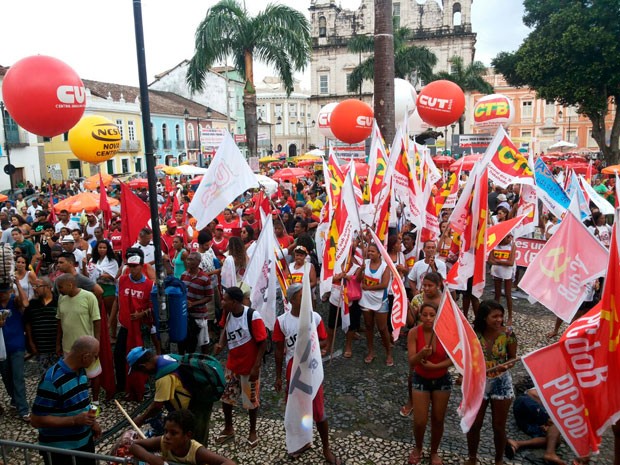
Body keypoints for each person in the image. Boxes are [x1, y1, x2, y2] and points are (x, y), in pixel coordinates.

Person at [273, 283, 341, 465]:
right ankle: (300, 442)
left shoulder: (315, 318)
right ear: (292, 299)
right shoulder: (282, 321)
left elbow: (324, 342)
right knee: (296, 409)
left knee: (319, 411)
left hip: (311, 369)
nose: (309, 298)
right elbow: (279, 351)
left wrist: (319, 348)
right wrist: (278, 376)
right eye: (303, 295)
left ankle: (326, 448)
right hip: (293, 371)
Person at [31, 336, 102, 465]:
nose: (96, 360)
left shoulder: (81, 372)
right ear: (85, 357)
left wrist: (93, 423)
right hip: (61, 451)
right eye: (95, 356)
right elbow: (36, 420)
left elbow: (83, 403)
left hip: (84, 443)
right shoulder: (52, 380)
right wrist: (74, 420)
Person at [213, 286, 267, 447]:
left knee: (251, 402)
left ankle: (252, 432)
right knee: (227, 398)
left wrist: (256, 367)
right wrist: (221, 344)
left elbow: (263, 342)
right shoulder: (227, 313)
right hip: (232, 366)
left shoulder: (252, 316)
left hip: (249, 367)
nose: (222, 302)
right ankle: (228, 428)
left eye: (225, 299)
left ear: (234, 302)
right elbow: (224, 328)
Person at [466, 300, 517, 465]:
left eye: (501, 316)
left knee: (499, 426)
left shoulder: (508, 334)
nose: (499, 320)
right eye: (494, 316)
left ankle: (498, 461)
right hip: (479, 383)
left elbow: (512, 358)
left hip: (501, 383)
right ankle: (472, 458)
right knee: (475, 423)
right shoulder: (473, 335)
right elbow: (467, 358)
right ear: (483, 318)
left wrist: (506, 366)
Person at [128, 348, 212, 447]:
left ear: (143, 366)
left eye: (141, 371)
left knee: (196, 442)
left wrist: (141, 419)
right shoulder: (167, 357)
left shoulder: (164, 376)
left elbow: (157, 406)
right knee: (197, 436)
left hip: (196, 406)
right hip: (199, 397)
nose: (144, 374)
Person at [407, 303, 453, 465]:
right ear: (420, 316)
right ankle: (418, 447)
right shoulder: (414, 333)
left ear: (437, 316)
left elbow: (452, 359)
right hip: (420, 379)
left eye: (432, 315)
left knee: (438, 419)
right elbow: (412, 361)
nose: (428, 318)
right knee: (420, 421)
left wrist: (435, 366)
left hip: (442, 380)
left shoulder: (445, 333)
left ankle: (434, 451)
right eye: (425, 315)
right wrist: (421, 354)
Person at [111, 253, 159, 398]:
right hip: (125, 325)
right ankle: (122, 385)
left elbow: (153, 308)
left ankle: (145, 386)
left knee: (143, 358)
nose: (132, 269)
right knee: (119, 355)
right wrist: (110, 321)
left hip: (141, 327)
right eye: (130, 266)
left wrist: (142, 314)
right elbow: (116, 301)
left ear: (142, 266)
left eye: (135, 266)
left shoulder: (150, 285)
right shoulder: (122, 280)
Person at [55, 274, 102, 405]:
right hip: (68, 346)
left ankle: (96, 401)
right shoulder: (61, 298)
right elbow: (59, 321)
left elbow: (97, 321)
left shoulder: (89, 297)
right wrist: (58, 342)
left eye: (60, 287)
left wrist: (97, 344)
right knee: (71, 375)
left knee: (93, 374)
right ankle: (76, 401)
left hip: (88, 347)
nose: (59, 290)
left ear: (70, 285)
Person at [129, 409, 236, 465]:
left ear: (188, 435)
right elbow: (134, 446)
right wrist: (152, 459)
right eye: (165, 431)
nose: (167, 436)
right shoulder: (163, 442)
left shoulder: (197, 452)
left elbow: (229, 463)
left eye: (173, 433)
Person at [505, 388, 565, 465]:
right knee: (556, 424)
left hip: (526, 422)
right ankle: (550, 453)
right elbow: (533, 394)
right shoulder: (559, 388)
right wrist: (547, 419)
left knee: (555, 441)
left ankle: (517, 444)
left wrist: (547, 426)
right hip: (526, 402)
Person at [358, 242, 393, 366]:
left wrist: (368, 288)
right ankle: (371, 351)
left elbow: (384, 284)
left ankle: (388, 352)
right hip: (366, 300)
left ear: (379, 253)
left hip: (380, 301)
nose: (370, 253)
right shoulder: (365, 264)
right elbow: (357, 280)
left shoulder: (385, 267)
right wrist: (360, 271)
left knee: (383, 328)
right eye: (369, 251)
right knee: (368, 326)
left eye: (373, 251)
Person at [0, 279, 30, 421]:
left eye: (5, 292)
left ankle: (23, 409)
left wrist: (18, 284)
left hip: (16, 344)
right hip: (1, 348)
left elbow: (25, 303)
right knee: (6, 377)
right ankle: (15, 399)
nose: (3, 295)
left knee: (18, 377)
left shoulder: (15, 300)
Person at [181, 252, 214, 354]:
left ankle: (205, 359)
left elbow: (209, 297)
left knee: (203, 341)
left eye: (191, 260)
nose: (188, 262)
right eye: (188, 259)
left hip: (200, 315)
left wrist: (193, 304)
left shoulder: (205, 278)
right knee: (187, 339)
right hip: (186, 314)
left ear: (198, 262)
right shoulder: (184, 275)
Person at [24, 277, 59, 373]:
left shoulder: (59, 301)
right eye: (34, 286)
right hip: (40, 347)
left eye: (37, 286)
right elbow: (28, 324)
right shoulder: (32, 304)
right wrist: (31, 343)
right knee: (45, 375)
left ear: (48, 287)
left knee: (58, 374)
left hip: (57, 347)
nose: (35, 288)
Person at [488, 234, 516, 327]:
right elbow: (490, 260)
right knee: (497, 294)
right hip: (496, 272)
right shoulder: (494, 244)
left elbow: (511, 263)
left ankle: (510, 317)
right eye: (507, 237)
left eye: (510, 237)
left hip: (507, 272)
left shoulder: (512, 245)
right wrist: (503, 262)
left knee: (508, 295)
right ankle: (496, 315)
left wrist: (498, 261)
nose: (509, 239)